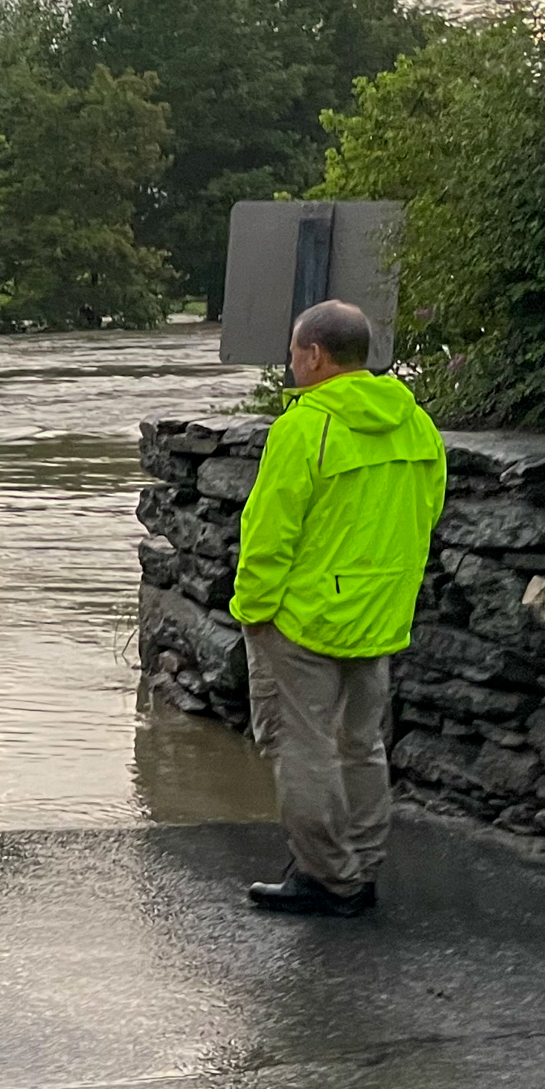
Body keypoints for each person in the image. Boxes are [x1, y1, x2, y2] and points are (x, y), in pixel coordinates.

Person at [230, 299, 446, 917]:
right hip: (378, 615)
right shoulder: (417, 425)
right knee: (361, 745)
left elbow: (268, 533)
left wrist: (253, 609)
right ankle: (363, 866)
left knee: (301, 747)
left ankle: (329, 878)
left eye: (295, 353)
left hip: (301, 619)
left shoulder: (303, 428)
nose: (292, 364)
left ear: (315, 355)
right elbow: (426, 513)